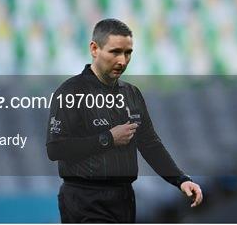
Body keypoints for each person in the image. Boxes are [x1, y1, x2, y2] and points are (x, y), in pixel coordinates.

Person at [46, 18, 203, 223]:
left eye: (128, 53)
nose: (122, 60)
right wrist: (108, 138)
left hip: (124, 199)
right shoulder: (70, 92)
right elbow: (55, 149)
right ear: (94, 49)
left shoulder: (132, 94)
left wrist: (180, 179)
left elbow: (149, 144)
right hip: (85, 200)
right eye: (115, 52)